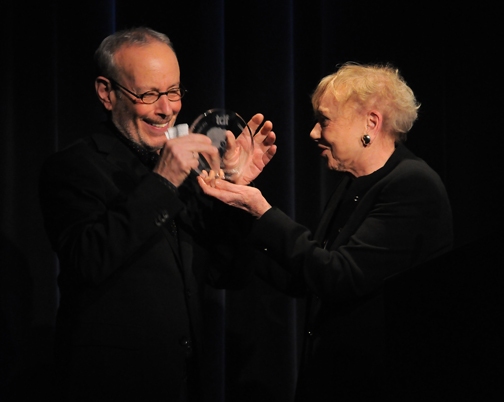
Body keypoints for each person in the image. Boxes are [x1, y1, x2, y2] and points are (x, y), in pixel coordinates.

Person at [38, 27, 276, 401]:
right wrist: (163, 181)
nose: (166, 109)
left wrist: (235, 192)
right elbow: (87, 260)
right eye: (148, 94)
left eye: (173, 91)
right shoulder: (74, 166)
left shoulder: (186, 169)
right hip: (110, 384)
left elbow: (229, 273)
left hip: (183, 382)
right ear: (106, 92)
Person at [198, 62, 454, 400]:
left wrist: (263, 211)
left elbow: (340, 276)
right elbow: (304, 276)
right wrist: (241, 197)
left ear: (371, 123)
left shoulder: (413, 186)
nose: (314, 133)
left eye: (325, 120)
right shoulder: (353, 184)